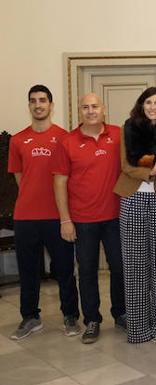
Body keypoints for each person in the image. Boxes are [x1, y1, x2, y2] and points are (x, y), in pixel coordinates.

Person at [52, 93, 126, 344]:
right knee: (87, 271)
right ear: (79, 111)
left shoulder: (118, 135)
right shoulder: (67, 142)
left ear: (103, 109)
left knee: (120, 268)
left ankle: (122, 313)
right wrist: (65, 220)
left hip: (116, 217)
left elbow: (139, 160)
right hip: (82, 220)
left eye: (95, 106)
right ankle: (92, 319)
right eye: (86, 107)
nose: (91, 111)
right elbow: (60, 182)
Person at [8, 85, 80, 340]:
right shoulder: (17, 140)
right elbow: (20, 178)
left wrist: (66, 217)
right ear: (29, 105)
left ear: (51, 104)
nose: (38, 105)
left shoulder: (65, 137)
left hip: (56, 217)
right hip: (25, 217)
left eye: (42, 100)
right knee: (28, 271)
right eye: (33, 101)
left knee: (64, 270)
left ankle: (71, 316)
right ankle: (30, 317)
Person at [113, 87, 156, 343]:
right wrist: (151, 169)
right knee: (135, 267)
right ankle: (139, 329)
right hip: (133, 198)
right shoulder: (128, 127)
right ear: (141, 105)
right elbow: (126, 165)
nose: (152, 106)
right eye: (148, 102)